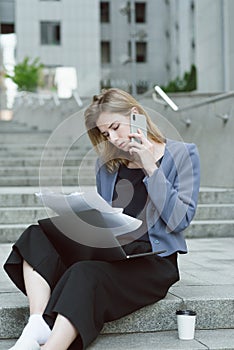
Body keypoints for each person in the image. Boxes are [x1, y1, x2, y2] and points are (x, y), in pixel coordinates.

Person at [4, 88, 200, 350]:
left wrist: (149, 166)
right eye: (106, 134)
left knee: (84, 274)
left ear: (135, 115)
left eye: (116, 127)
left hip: (152, 262)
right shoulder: (106, 164)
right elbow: (108, 216)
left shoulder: (183, 154)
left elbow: (180, 219)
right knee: (36, 234)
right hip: (113, 252)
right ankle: (38, 321)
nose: (114, 139)